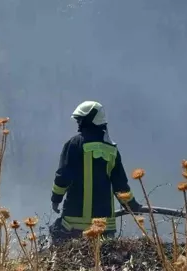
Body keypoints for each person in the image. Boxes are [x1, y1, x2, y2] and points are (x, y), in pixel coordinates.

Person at [49, 100, 143, 244]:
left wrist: (56, 199)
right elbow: (121, 185)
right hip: (105, 227)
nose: (78, 124)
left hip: (74, 224)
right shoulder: (112, 150)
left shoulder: (74, 144)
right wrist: (132, 205)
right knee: (103, 263)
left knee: (63, 251)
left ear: (89, 120)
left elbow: (63, 176)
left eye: (80, 120)